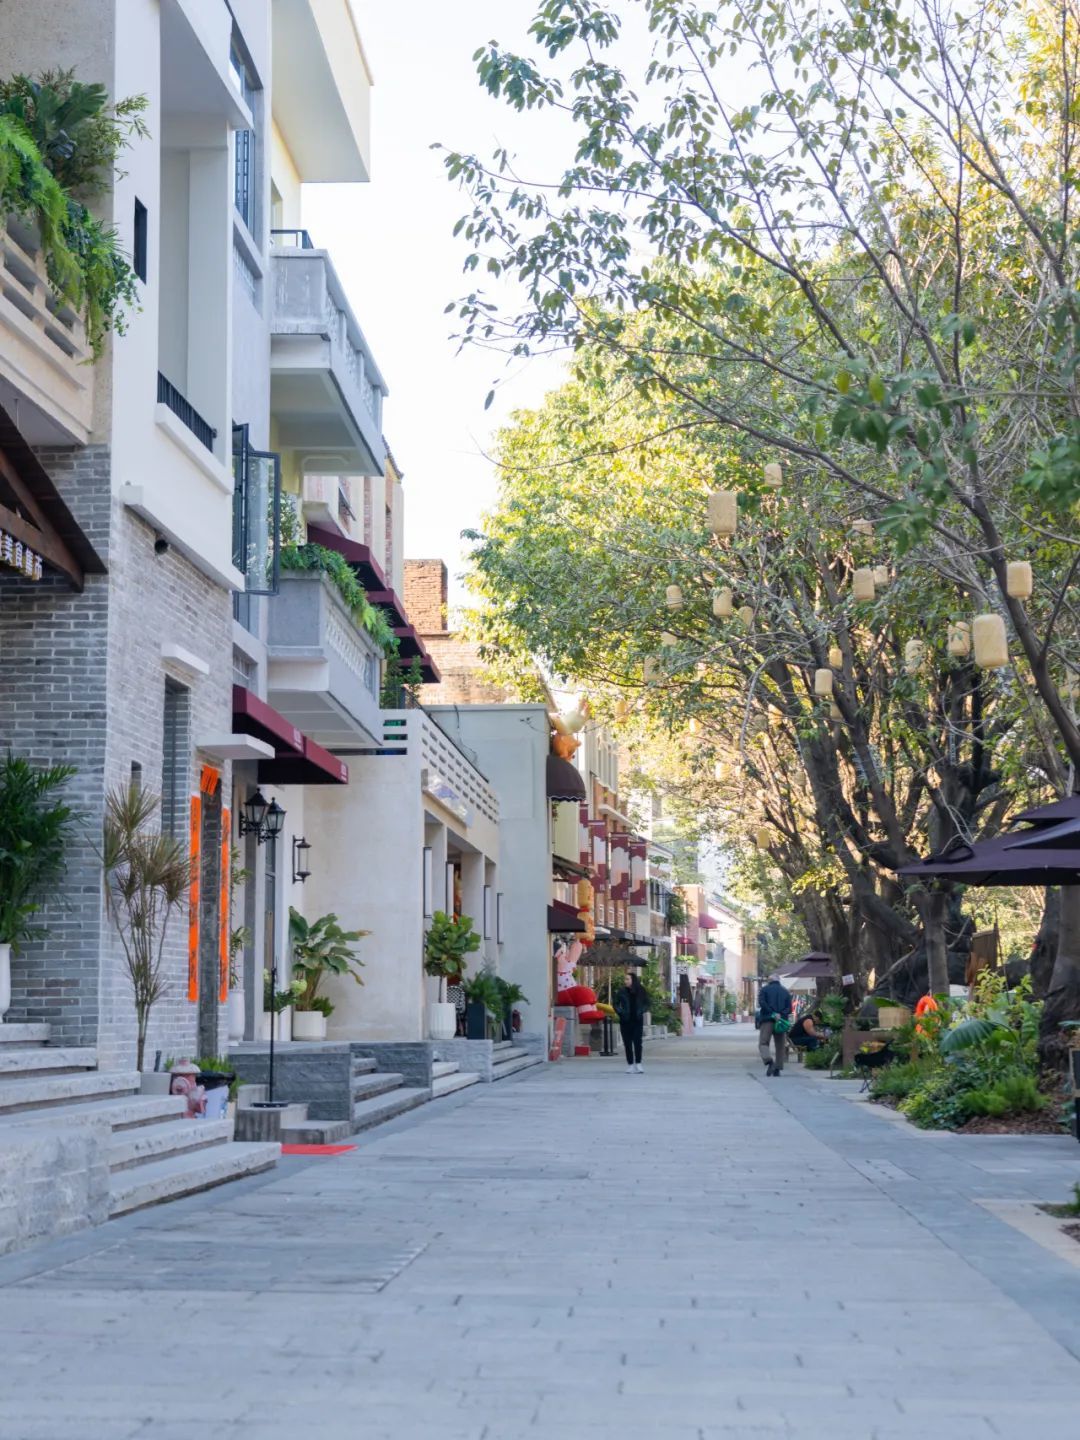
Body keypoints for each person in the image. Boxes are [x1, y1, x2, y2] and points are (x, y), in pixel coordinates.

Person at [756, 973, 793, 1076]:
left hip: (767, 1020)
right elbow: (789, 1008)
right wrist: (781, 1014)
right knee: (780, 1045)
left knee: (763, 1043)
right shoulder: (785, 992)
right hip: (781, 1022)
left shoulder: (764, 990)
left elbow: (762, 1003)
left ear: (770, 980)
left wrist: (772, 1013)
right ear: (779, 980)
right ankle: (778, 1068)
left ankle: (769, 1061)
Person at [614, 970, 648, 1072]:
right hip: (625, 1021)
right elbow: (615, 1003)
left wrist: (641, 1010)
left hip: (637, 1020)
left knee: (638, 1043)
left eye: (628, 979)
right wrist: (620, 1012)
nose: (626, 981)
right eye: (625, 979)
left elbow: (647, 1003)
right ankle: (630, 1064)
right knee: (627, 1043)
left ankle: (638, 1063)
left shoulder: (641, 990)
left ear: (633, 980)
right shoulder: (621, 991)